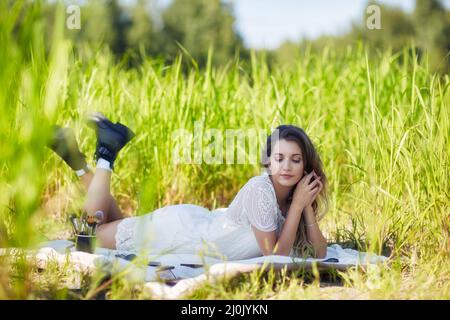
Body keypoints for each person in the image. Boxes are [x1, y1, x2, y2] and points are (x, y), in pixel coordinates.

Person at [48, 114, 328, 260]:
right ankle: (106, 154)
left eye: (296, 160)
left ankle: (76, 161)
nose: (287, 166)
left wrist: (305, 209)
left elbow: (319, 253)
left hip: (196, 225)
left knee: (114, 225)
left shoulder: (291, 198)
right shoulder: (261, 189)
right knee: (86, 239)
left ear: (306, 166)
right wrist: (298, 208)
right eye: (279, 158)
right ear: (268, 162)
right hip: (178, 234)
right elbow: (275, 257)